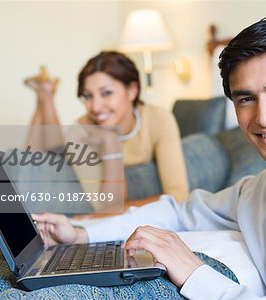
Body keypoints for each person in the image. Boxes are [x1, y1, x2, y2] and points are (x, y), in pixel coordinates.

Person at [32, 18, 266, 299]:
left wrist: (195, 274)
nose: (264, 117)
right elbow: (180, 210)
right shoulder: (263, 191)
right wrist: (79, 233)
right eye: (246, 99)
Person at [25, 51, 189, 208]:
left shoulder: (158, 118)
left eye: (107, 93)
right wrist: (111, 142)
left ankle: (44, 92)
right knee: (41, 157)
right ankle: (45, 95)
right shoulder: (79, 132)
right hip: (68, 159)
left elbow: (179, 196)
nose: (95, 107)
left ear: (132, 91)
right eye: (88, 96)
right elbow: (109, 206)